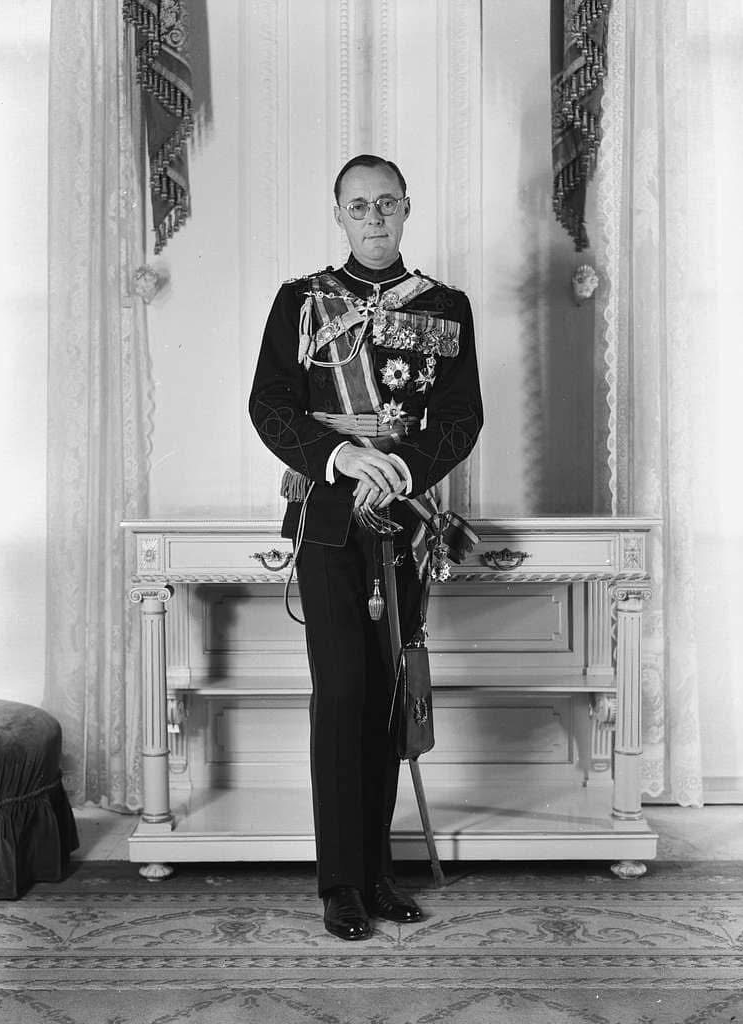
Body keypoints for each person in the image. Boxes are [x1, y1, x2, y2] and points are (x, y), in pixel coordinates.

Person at [249, 154, 483, 940]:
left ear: (406, 208)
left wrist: (403, 470)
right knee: (343, 692)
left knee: (386, 694)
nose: (374, 218)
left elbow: (461, 417)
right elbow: (270, 404)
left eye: (386, 203)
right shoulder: (301, 300)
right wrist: (342, 457)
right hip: (328, 518)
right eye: (359, 206)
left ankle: (378, 873)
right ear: (339, 214)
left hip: (407, 520)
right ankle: (340, 884)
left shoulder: (446, 305)